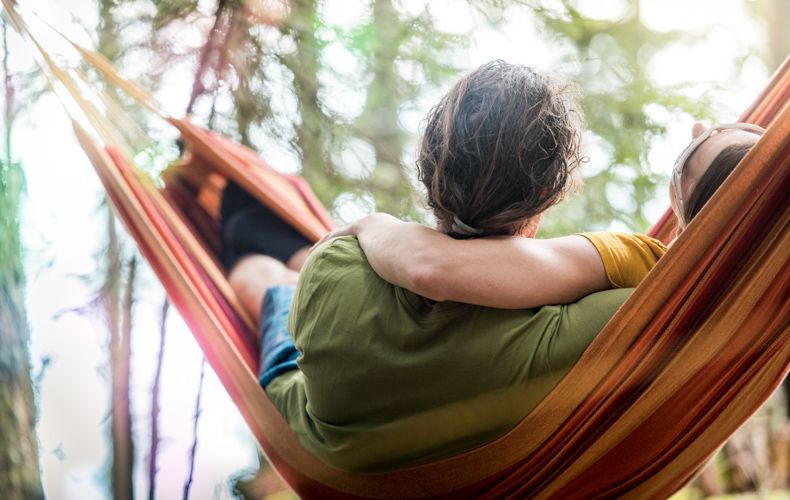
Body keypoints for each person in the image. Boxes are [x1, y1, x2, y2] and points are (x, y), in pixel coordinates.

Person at [220, 60, 763, 471]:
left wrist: (368, 226)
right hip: (427, 463)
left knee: (271, 284)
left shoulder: (334, 266)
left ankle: (258, 247)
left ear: (427, 165)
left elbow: (425, 269)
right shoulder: (611, 319)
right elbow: (707, 272)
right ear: (550, 193)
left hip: (318, 432)